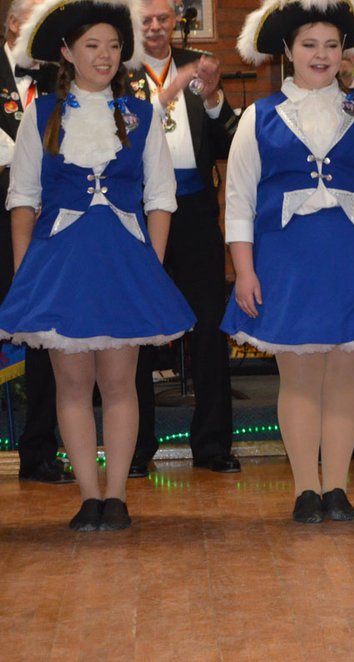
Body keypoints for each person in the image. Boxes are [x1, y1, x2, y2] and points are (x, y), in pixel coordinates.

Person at [0, 0, 195, 530]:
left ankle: (117, 497)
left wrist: (150, 267)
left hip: (123, 261)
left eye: (112, 45)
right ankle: (88, 494)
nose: (104, 56)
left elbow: (161, 196)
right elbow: (22, 198)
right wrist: (26, 275)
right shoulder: (41, 115)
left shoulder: (143, 114)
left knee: (119, 382)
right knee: (71, 384)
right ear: (67, 52)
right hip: (60, 262)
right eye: (92, 45)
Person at [227, 0, 354, 523]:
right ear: (287, 51)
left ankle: (336, 487)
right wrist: (244, 269)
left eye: (332, 45)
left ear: (346, 53)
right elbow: (239, 200)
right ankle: (305, 489)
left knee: (343, 377)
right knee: (300, 376)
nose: (322, 54)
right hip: (287, 263)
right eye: (309, 45)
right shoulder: (259, 118)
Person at [128, 0, 239, 477]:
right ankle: (133, 448)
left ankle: (213, 444)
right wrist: (168, 93)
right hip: (136, 213)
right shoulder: (117, 69)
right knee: (133, 328)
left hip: (193, 211)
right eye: (145, 20)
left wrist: (213, 100)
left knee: (211, 327)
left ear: (176, 20)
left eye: (162, 19)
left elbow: (229, 142)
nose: (155, 27)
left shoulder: (199, 65)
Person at [1, 0, 72, 484]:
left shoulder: (59, 80)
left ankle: (40, 449)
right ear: (12, 23)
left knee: (48, 332)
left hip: (46, 217)